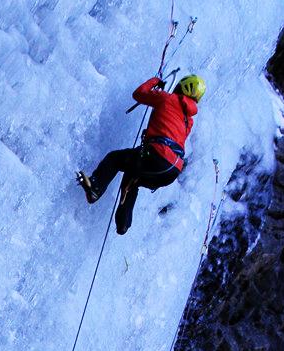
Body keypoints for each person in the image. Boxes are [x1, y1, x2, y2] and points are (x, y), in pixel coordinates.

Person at [76, 73, 206, 234]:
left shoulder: (167, 99)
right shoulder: (189, 120)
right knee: (133, 180)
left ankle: (95, 188)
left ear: (180, 86)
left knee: (115, 159)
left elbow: (139, 94)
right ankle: (123, 224)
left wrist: (155, 81)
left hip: (158, 156)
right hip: (171, 171)